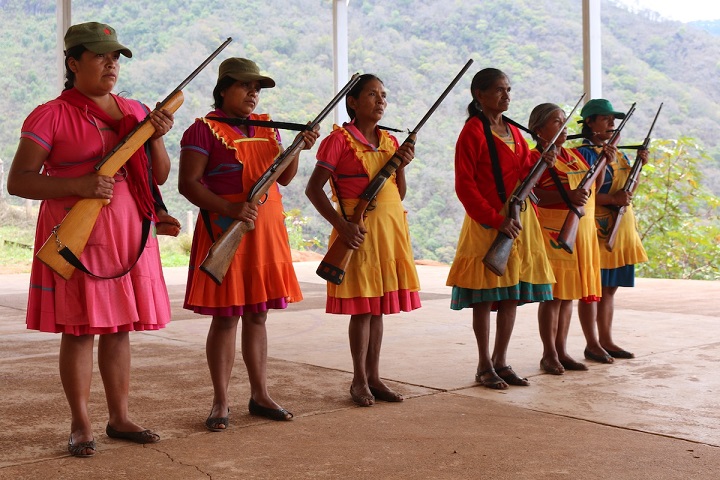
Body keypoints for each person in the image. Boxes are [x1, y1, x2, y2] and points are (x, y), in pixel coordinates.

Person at [7, 22, 174, 457]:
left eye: (115, 57)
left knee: (119, 330)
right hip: (75, 237)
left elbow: (159, 175)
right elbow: (19, 181)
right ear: (73, 62)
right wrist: (79, 185)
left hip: (128, 233)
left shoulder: (135, 110)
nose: (110, 64)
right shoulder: (50, 114)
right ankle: (80, 424)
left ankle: (119, 417)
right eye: (100, 56)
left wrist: (156, 136)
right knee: (79, 331)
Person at [179, 57, 319, 430]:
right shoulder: (202, 130)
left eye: (257, 88)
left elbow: (284, 179)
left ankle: (260, 394)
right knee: (226, 319)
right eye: (245, 86)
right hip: (225, 228)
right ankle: (221, 401)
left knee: (258, 315)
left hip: (266, 231)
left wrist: (298, 148)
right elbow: (189, 184)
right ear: (224, 88)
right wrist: (230, 208)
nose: (253, 94)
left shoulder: (266, 126)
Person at [305, 74, 420, 407]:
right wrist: (341, 226)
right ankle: (359, 380)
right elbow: (313, 188)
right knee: (364, 309)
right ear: (353, 102)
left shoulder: (390, 142)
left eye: (383, 95)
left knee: (378, 308)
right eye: (372, 94)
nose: (381, 100)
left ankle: (374, 377)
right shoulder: (339, 140)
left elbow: (398, 192)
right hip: (358, 232)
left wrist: (402, 165)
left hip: (390, 230)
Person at [446, 68, 556, 390]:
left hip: (517, 218)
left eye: (508, 89)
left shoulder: (514, 131)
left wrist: (542, 161)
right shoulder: (473, 132)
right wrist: (495, 219)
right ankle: (483, 365)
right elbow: (465, 186)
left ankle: (501, 361)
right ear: (479, 95)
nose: (506, 96)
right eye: (498, 90)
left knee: (509, 297)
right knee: (484, 297)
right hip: (488, 222)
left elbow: (522, 170)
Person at [528, 103, 602, 375]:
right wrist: (565, 198)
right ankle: (549, 354)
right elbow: (532, 194)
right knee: (553, 297)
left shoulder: (573, 156)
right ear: (538, 130)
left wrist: (604, 159)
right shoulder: (534, 156)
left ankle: (562, 350)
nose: (564, 127)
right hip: (550, 230)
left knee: (568, 295)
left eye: (564, 121)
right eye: (557, 122)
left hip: (576, 231)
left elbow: (590, 185)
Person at [576, 99, 649, 362]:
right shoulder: (583, 154)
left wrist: (640, 165)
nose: (611, 124)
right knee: (591, 289)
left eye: (612, 119)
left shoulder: (620, 153)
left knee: (609, 288)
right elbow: (587, 193)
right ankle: (592, 343)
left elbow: (627, 191)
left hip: (620, 228)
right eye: (605, 119)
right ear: (590, 123)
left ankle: (606, 339)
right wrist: (613, 198)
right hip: (596, 228)